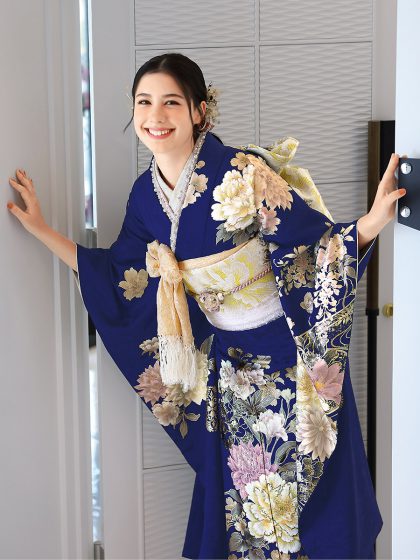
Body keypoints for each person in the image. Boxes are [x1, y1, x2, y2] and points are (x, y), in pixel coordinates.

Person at [6, 53, 405, 560]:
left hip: (294, 362)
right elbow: (119, 278)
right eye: (144, 102)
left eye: (171, 102)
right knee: (252, 510)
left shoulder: (243, 172)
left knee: (315, 502)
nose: (155, 116)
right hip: (233, 375)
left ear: (199, 111)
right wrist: (41, 230)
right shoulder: (145, 198)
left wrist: (371, 222)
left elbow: (311, 248)